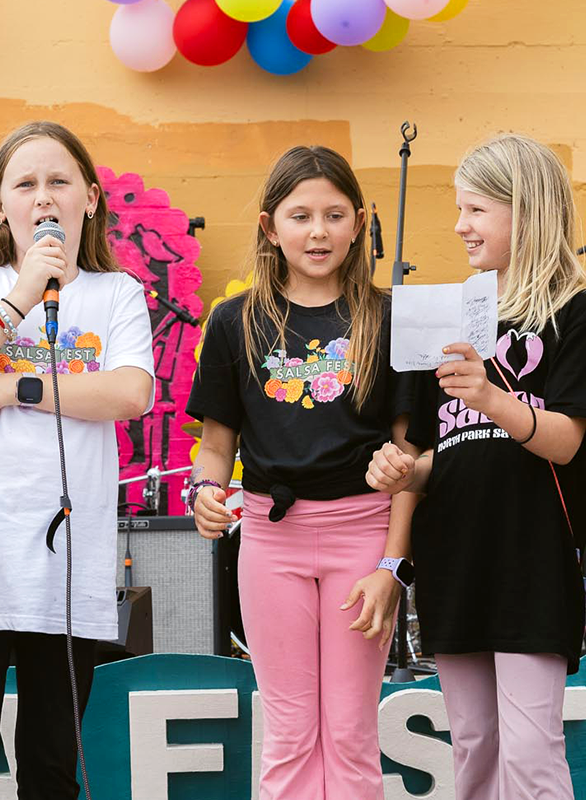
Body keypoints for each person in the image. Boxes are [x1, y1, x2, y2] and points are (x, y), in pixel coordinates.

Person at [367, 133, 586, 799]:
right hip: (455, 559)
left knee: (532, 754)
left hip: (533, 561)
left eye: (476, 210)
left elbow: (566, 440)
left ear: (526, 212)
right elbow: (435, 455)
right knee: (473, 749)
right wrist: (401, 469)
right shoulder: (447, 312)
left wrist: (490, 396)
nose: (460, 226)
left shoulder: (576, 314)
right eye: (459, 209)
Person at [0, 121, 153, 799]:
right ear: (1, 206)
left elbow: (130, 392)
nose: (43, 196)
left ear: (90, 199)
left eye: (58, 181)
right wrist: (20, 294)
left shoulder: (116, 295)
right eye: (25, 183)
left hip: (63, 562)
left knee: (51, 768)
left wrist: (5, 387)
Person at [186, 145, 416, 800]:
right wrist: (208, 489)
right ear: (269, 226)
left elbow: (408, 464)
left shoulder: (387, 317)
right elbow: (214, 445)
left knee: (348, 732)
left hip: (363, 540)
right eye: (300, 215)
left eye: (334, 214)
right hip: (270, 540)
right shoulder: (235, 323)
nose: (318, 231)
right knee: (289, 732)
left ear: (360, 221)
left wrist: (391, 568)